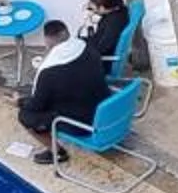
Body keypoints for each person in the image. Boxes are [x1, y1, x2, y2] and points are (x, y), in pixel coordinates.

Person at [16, 20, 112, 166]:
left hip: (83, 125)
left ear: (47, 41)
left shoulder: (48, 71)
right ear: (67, 32)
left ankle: (58, 153)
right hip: (106, 109)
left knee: (26, 115)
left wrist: (19, 101)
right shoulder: (87, 46)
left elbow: (36, 106)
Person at [79, 0, 131, 76]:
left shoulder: (112, 24)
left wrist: (89, 28)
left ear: (102, 7)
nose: (89, 5)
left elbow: (99, 50)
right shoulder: (120, 9)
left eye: (91, 4)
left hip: (102, 62)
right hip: (102, 48)